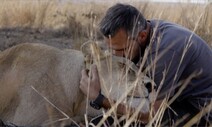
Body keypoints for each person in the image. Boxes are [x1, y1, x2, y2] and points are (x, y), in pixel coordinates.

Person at [79, 3, 212, 126]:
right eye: (111, 49)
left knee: (108, 123)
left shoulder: (164, 51)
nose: (116, 56)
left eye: (122, 49)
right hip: (176, 99)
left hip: (200, 111)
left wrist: (98, 98)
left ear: (142, 36)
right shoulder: (144, 29)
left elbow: (152, 116)